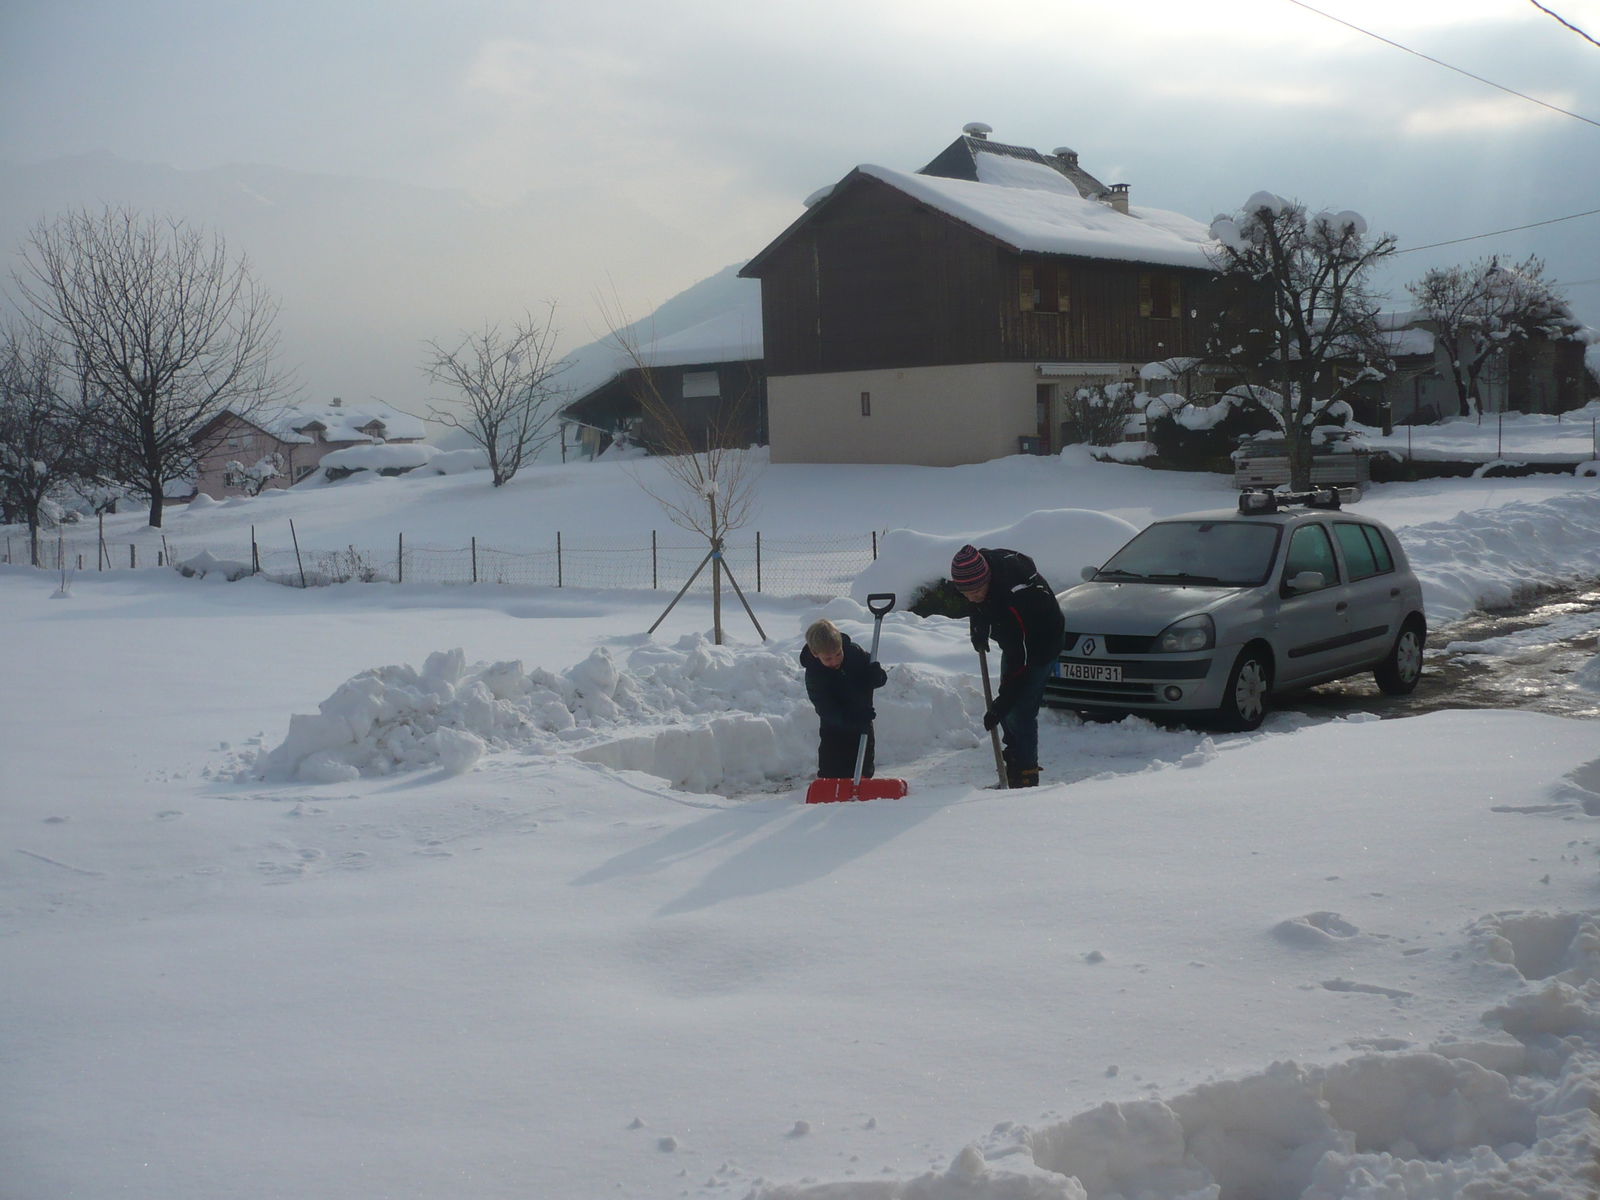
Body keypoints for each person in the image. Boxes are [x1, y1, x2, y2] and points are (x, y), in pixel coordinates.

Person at [950, 543, 1065, 788]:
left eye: (976, 591)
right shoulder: (982, 573)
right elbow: (977, 602)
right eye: (965, 593)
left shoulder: (1015, 597)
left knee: (1019, 712)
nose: (972, 597)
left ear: (988, 579)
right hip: (1018, 642)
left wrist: (1001, 703)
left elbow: (1020, 660)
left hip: (1041, 643)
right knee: (1009, 710)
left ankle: (1026, 777)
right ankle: (1013, 768)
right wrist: (978, 627)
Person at [799, 617, 888, 779]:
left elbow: (877, 679)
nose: (835, 661)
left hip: (863, 724)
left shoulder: (855, 653)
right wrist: (852, 719)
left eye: (838, 654)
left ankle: (863, 790)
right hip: (834, 729)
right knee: (832, 771)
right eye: (828, 658)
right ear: (815, 654)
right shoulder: (814, 674)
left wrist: (877, 676)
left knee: (864, 769)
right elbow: (826, 709)